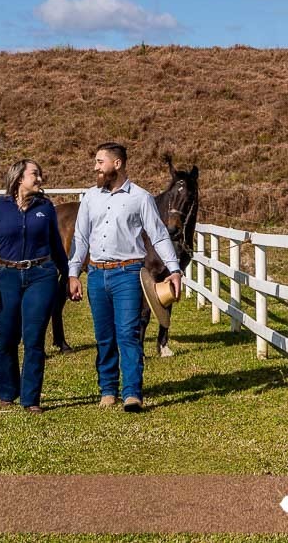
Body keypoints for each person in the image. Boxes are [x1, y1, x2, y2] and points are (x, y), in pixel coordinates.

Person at [67, 143, 182, 413]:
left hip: (128, 274)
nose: (95, 167)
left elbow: (159, 234)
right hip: (96, 274)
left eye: (99, 161)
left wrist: (174, 269)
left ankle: (132, 392)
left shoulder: (140, 198)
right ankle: (108, 389)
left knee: (128, 334)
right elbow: (80, 238)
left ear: (116, 164)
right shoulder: (90, 198)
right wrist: (73, 273)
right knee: (104, 335)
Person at [0, 159, 69, 414]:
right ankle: (6, 392)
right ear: (19, 178)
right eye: (35, 174)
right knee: (6, 338)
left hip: (42, 276)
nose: (40, 179)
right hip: (6, 276)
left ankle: (31, 399)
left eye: (39, 174)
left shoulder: (46, 207)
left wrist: (69, 275)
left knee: (34, 339)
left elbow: (57, 246)